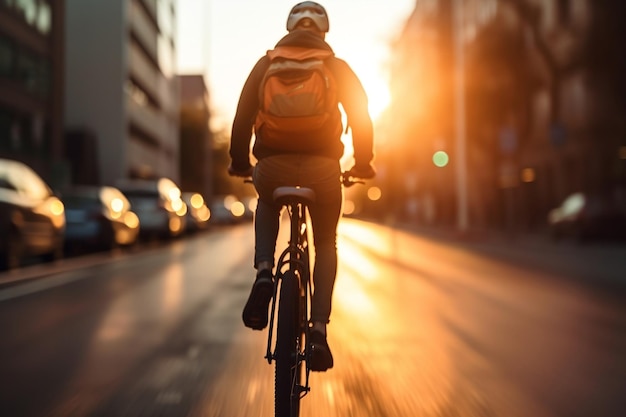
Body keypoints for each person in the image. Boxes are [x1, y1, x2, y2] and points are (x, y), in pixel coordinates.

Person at [228, 1, 375, 372]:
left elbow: (243, 116)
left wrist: (240, 162)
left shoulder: (266, 64)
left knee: (266, 201)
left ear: (289, 29)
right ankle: (320, 330)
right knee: (326, 241)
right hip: (324, 171)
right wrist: (363, 163)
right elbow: (361, 115)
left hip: (272, 167)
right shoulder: (335, 66)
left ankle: (263, 270)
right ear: (322, 32)